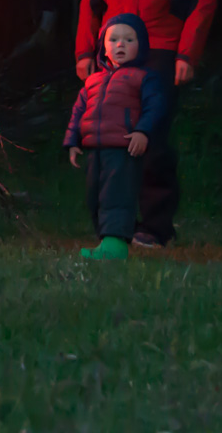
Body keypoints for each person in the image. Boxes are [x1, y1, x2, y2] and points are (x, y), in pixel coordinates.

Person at [75, 0, 217, 248]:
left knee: (149, 137)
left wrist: (188, 54)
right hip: (113, 51)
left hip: (160, 48)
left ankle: (155, 228)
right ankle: (111, 226)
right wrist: (85, 52)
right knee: (106, 138)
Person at [64, 14, 166, 259]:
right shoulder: (93, 81)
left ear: (141, 44)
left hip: (124, 148)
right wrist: (72, 141)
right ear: (104, 47)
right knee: (95, 195)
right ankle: (106, 240)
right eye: (114, 39)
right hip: (95, 149)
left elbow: (155, 106)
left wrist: (143, 131)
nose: (121, 44)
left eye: (129, 39)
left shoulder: (143, 77)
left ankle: (115, 245)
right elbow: (79, 111)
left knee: (117, 193)